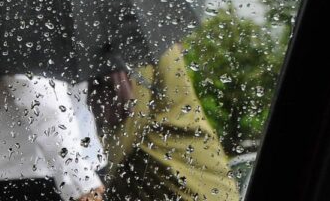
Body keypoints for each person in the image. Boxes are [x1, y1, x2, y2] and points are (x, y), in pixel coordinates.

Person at [0, 54, 107, 201]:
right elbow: (40, 94)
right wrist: (81, 177)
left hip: (27, 175)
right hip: (39, 173)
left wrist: (80, 178)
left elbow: (38, 92)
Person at [95, 44, 241, 201]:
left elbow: (129, 125)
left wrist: (90, 183)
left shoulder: (133, 43)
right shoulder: (150, 39)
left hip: (185, 189)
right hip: (193, 184)